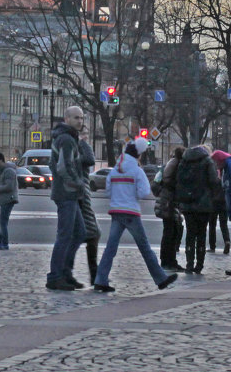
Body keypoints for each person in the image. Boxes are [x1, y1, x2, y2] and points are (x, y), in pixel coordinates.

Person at [93, 138, 178, 293]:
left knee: (110, 248)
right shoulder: (137, 171)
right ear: (137, 156)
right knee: (145, 247)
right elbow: (144, 191)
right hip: (131, 212)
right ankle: (161, 278)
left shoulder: (114, 170)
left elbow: (108, 190)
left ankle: (100, 279)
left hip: (116, 212)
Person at [46, 106, 87, 291]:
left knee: (79, 233)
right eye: (76, 118)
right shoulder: (66, 139)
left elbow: (53, 163)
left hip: (68, 192)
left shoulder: (65, 137)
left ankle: (65, 272)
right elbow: (64, 167)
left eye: (82, 118)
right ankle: (56, 276)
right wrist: (78, 183)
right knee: (65, 235)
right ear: (67, 118)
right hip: (67, 193)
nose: (80, 121)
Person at [175, 144, 220, 274]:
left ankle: (189, 264)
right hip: (203, 204)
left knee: (190, 234)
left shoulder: (185, 160)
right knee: (201, 235)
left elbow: (179, 179)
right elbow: (213, 181)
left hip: (188, 204)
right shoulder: (207, 161)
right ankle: (199, 265)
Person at [153, 146, 186, 271]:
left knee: (170, 231)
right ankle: (168, 261)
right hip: (168, 202)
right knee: (170, 232)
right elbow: (170, 181)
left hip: (167, 202)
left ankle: (168, 260)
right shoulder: (175, 164)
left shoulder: (171, 163)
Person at [78, 126, 101, 284]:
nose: (86, 136)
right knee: (93, 234)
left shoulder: (77, 147)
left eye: (87, 133)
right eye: (83, 133)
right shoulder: (76, 147)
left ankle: (94, 275)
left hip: (82, 193)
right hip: (79, 194)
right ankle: (94, 276)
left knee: (90, 234)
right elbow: (90, 160)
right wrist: (84, 143)